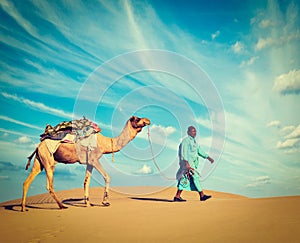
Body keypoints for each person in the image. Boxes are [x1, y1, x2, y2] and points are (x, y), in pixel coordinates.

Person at [174, 126, 214, 202]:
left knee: (184, 179)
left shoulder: (195, 142)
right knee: (195, 177)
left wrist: (208, 157)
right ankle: (202, 195)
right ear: (188, 132)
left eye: (195, 131)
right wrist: (186, 163)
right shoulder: (186, 141)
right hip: (188, 164)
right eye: (192, 131)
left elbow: (199, 151)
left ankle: (177, 196)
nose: (194, 133)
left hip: (193, 164)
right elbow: (184, 152)